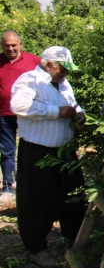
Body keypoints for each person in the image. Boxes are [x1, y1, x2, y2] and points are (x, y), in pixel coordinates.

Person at [10, 46, 86, 267]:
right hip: (38, 151)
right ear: (48, 64)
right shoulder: (30, 80)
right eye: (63, 68)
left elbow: (72, 103)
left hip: (64, 152)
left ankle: (75, 242)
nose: (66, 73)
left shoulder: (63, 83)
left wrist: (79, 114)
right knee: (36, 201)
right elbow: (19, 105)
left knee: (72, 197)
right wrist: (55, 112)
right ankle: (37, 248)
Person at [0, 30, 41, 202]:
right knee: (7, 150)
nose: (10, 48)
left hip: (27, 114)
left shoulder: (33, 61)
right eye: (7, 45)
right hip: (3, 114)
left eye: (13, 45)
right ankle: (8, 186)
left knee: (30, 149)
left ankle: (30, 184)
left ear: (20, 45)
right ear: (2, 45)